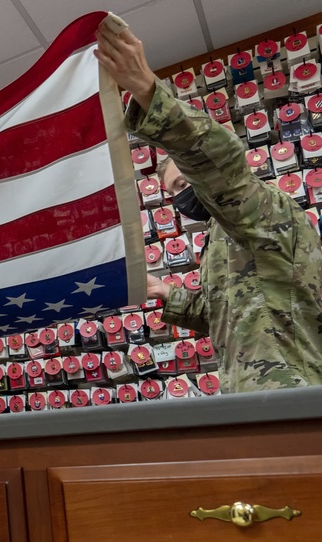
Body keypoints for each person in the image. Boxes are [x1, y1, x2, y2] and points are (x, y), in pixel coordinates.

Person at [94, 19, 322, 393]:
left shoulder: (262, 209)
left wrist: (149, 92)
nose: (182, 196)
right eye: (173, 190)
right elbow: (230, 315)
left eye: (186, 182)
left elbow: (223, 167)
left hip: (292, 396)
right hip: (252, 398)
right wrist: (165, 292)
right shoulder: (221, 238)